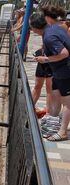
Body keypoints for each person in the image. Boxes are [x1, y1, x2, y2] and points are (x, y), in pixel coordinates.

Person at [31, 11, 70, 141]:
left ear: (35, 28)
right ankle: (55, 122)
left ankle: (63, 131)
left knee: (67, 102)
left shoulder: (49, 36)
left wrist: (45, 59)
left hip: (65, 70)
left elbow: (64, 53)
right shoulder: (54, 28)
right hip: (58, 71)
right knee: (55, 95)